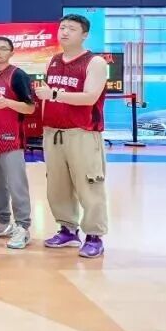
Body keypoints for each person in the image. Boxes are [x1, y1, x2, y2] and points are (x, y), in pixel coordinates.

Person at [35, 14, 109, 259]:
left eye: (72, 29)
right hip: (53, 132)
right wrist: (44, 125)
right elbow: (44, 97)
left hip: (82, 133)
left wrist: (55, 95)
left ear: (84, 34)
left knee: (89, 185)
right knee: (57, 186)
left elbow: (89, 97)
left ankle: (94, 236)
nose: (64, 32)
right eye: (62, 27)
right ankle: (67, 229)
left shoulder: (95, 62)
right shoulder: (52, 61)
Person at [0, 36, 36, 250]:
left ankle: (23, 227)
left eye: (3, 48)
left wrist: (9, 103)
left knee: (17, 185)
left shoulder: (17, 75)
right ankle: (3, 223)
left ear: (11, 53)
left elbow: (30, 108)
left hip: (10, 140)